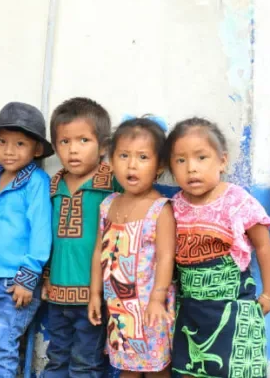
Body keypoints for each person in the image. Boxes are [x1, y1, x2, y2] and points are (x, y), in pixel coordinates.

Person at [163, 117, 270, 378]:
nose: (191, 168)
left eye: (201, 158)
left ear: (222, 161)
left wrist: (268, 294)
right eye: (180, 160)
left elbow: (264, 247)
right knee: (189, 369)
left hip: (233, 309)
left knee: (233, 370)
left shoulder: (237, 201)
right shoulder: (174, 206)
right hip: (190, 309)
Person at [0, 101, 55, 376]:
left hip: (16, 282)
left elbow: (41, 231)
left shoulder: (36, 182)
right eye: (2, 142)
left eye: (19, 144)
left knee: (4, 348)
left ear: (36, 149)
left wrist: (28, 276)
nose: (9, 150)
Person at [88, 116, 176, 377]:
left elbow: (166, 258)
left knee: (156, 369)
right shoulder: (108, 204)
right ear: (111, 160)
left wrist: (157, 300)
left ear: (159, 165)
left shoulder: (160, 209)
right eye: (124, 156)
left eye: (143, 157)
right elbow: (98, 253)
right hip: (119, 309)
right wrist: (94, 294)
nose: (132, 165)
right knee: (126, 368)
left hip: (150, 307)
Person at [42, 98, 118, 377]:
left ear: (104, 146)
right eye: (64, 142)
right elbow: (47, 240)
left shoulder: (113, 182)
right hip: (57, 295)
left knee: (85, 364)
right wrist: (46, 277)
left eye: (84, 140)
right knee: (56, 359)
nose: (73, 150)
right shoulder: (52, 186)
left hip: (94, 297)